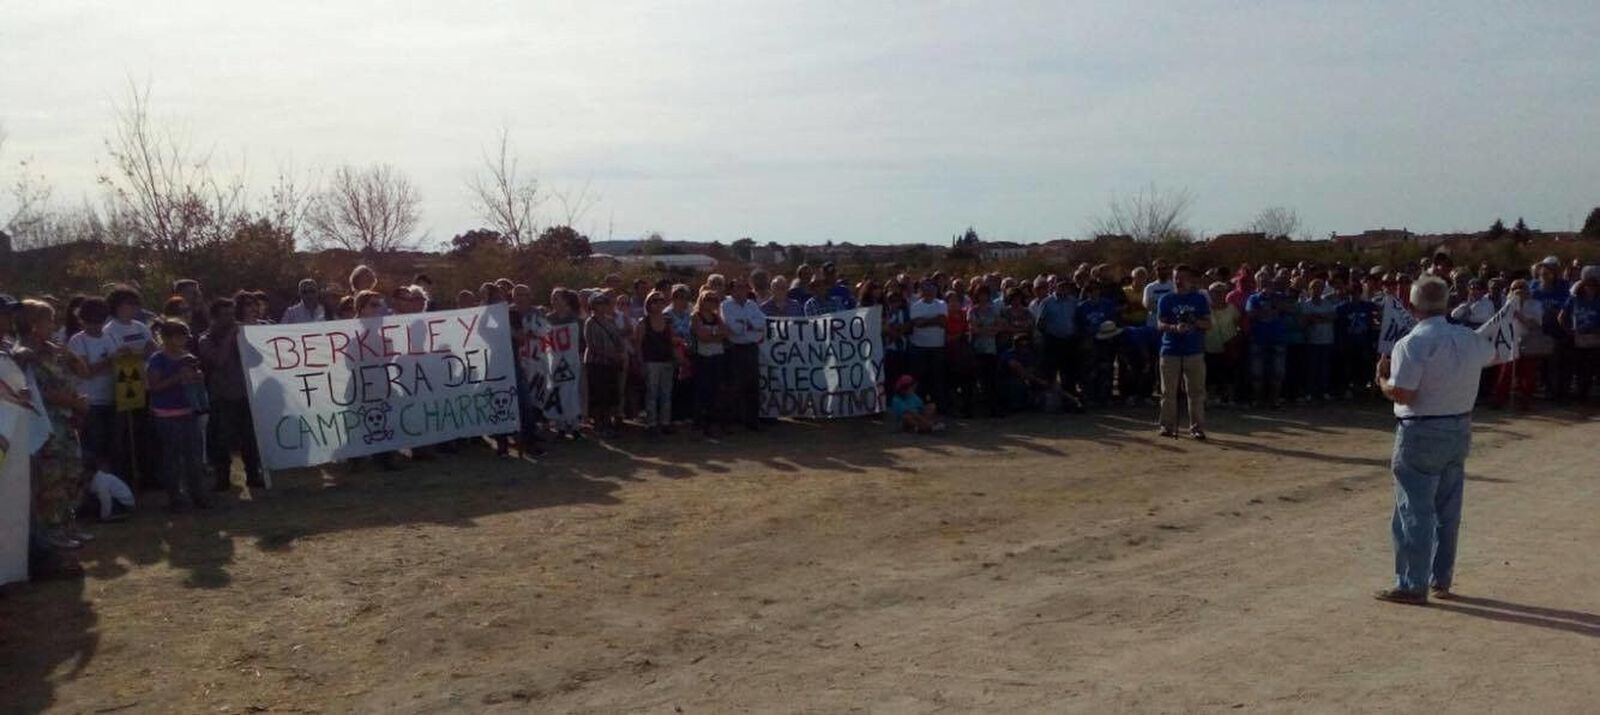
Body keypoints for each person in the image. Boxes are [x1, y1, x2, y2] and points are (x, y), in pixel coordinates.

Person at [1373, 276, 1497, 605]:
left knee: (1414, 509)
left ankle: (1413, 583)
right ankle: (1440, 578)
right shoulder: (1469, 338)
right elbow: (1493, 354)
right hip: (1459, 425)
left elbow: (1406, 393)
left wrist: (1384, 383)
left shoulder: (1412, 343)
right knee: (1448, 508)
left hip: (1422, 429)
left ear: (1413, 307)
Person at [197, 298, 263, 491]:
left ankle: (253, 474)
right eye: (225, 315)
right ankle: (222, 478)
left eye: (231, 315)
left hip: (244, 393)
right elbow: (218, 361)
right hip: (221, 396)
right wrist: (230, 337)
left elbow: (257, 360)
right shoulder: (206, 339)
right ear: (215, 318)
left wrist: (245, 338)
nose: (230, 319)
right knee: (222, 440)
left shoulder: (240, 335)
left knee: (249, 438)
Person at [144, 320, 211, 511]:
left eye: (184, 336)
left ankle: (197, 494)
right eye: (177, 336)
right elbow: (154, 387)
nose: (181, 340)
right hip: (166, 414)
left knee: (194, 457)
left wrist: (198, 379)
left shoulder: (189, 357)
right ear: (165, 338)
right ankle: (176, 496)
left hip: (189, 411)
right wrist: (178, 378)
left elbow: (197, 382)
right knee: (173, 458)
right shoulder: (158, 359)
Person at [1156, 265, 1212, 439]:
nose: (1179, 281)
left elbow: (1208, 324)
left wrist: (1194, 321)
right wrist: (1174, 327)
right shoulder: (1166, 299)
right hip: (1170, 350)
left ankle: (1197, 427)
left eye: (1182, 278)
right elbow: (1160, 324)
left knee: (1196, 392)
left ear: (1190, 279)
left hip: (1193, 350)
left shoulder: (1199, 299)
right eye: (1176, 278)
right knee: (1168, 392)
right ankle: (1166, 425)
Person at [1492, 280, 1550, 411]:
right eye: (1514, 288)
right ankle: (1500, 398)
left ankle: (1526, 400)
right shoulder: (1506, 304)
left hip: (1528, 341)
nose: (1518, 290)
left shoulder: (1535, 304)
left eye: (1521, 287)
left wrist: (1519, 314)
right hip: (1510, 341)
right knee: (1506, 371)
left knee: (1528, 372)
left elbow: (1534, 324)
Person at [721, 278, 766, 431]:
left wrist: (746, 323)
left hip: (751, 348)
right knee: (735, 385)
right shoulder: (726, 306)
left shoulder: (752, 305)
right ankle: (732, 420)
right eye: (738, 287)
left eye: (744, 287)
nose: (741, 290)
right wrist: (750, 324)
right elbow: (734, 328)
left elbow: (762, 323)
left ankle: (752, 421)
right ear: (732, 290)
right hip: (735, 348)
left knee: (752, 385)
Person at [583, 293, 627, 438]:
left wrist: (620, 353)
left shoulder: (610, 321)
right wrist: (611, 355)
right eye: (598, 303)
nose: (602, 306)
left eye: (604, 303)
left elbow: (618, 339)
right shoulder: (590, 322)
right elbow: (592, 346)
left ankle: (608, 422)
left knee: (611, 394)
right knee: (599, 394)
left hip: (611, 363)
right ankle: (599, 423)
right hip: (596, 363)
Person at [636, 292, 677, 434]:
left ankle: (665, 422)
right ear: (648, 304)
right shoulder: (643, 322)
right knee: (652, 393)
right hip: (651, 361)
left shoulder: (668, 321)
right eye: (655, 301)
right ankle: (652, 423)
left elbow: (672, 341)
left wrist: (675, 357)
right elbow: (638, 345)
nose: (658, 304)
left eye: (661, 301)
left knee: (666, 393)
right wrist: (640, 363)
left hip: (667, 360)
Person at [1557, 266, 1600, 401]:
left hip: (1596, 339)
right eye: (1588, 282)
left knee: (1593, 367)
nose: (1591, 285)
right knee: (1579, 368)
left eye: (1594, 282)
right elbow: (1561, 317)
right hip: (1578, 339)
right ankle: (1579, 393)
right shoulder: (1574, 298)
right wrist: (1569, 332)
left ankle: (1588, 392)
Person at [690, 291, 728, 438]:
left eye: (714, 300)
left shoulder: (717, 317)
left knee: (716, 391)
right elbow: (702, 337)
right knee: (702, 391)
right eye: (708, 299)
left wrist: (713, 335)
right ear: (701, 300)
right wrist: (716, 336)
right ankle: (700, 423)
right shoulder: (696, 317)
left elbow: (726, 332)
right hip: (703, 358)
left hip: (717, 357)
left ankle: (714, 423)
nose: (711, 302)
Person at [906, 280, 949, 411]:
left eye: (931, 288)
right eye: (926, 288)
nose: (929, 291)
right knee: (920, 379)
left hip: (938, 346)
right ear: (921, 291)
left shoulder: (942, 304)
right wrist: (934, 320)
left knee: (938, 378)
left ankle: (940, 407)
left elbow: (942, 321)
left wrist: (926, 321)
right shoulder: (915, 306)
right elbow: (917, 323)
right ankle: (919, 405)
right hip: (920, 346)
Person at [1203, 282, 1241, 405]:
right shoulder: (1205, 310)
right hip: (1210, 345)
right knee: (1211, 374)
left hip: (1228, 346)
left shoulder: (1232, 308)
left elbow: (1237, 323)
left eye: (1221, 292)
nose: (1218, 294)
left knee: (1229, 373)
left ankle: (1230, 398)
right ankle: (1212, 398)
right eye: (1215, 292)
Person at [1300, 278, 1337, 401]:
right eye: (1314, 287)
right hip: (1312, 340)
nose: (1317, 290)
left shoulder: (1327, 303)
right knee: (1312, 368)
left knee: (1324, 367)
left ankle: (1324, 391)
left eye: (1320, 288)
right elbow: (1306, 320)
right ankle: (1310, 391)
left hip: (1327, 339)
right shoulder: (1307, 304)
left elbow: (1332, 317)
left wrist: (1317, 317)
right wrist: (1322, 317)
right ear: (1310, 289)